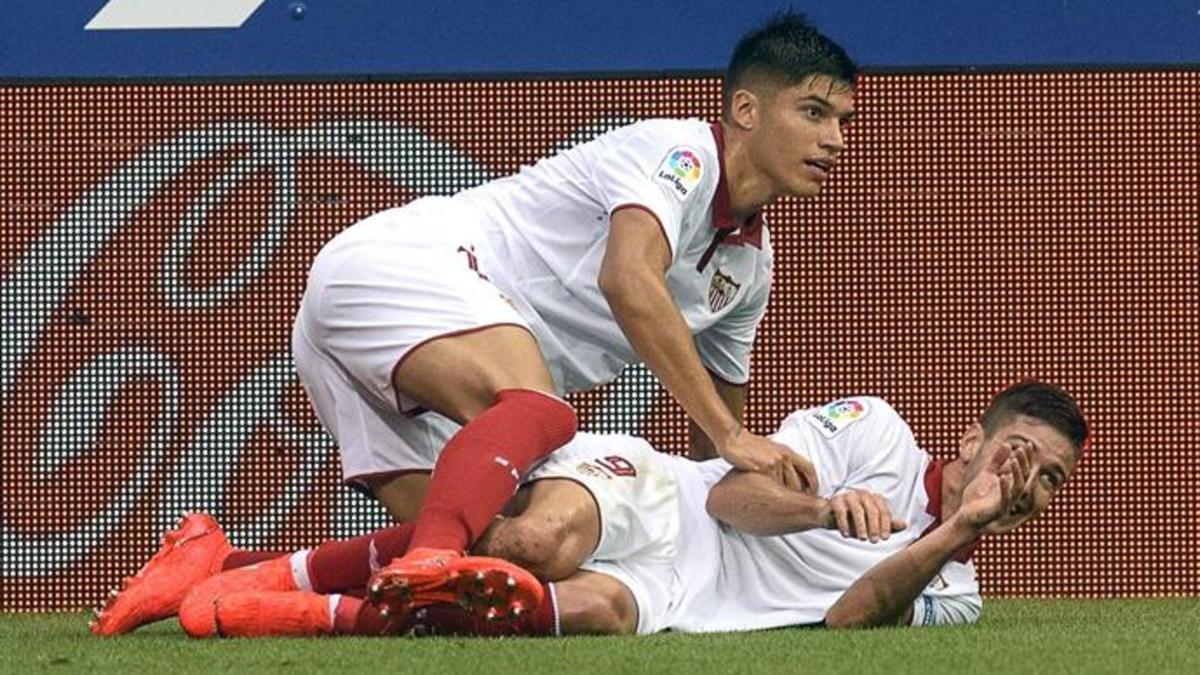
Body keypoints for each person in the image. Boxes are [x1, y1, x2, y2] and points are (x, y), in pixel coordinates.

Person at [270, 7, 856, 617]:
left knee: (498, 549)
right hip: (402, 263)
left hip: (360, 326)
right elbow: (628, 279)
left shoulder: (748, 271)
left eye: (843, 120)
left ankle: (223, 575)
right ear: (746, 111)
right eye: (813, 113)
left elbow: (712, 457)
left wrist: (776, 510)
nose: (834, 139)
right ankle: (430, 556)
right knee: (539, 412)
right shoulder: (679, 153)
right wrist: (735, 436)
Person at [91, 380, 1087, 637]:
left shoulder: (958, 594)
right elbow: (737, 497)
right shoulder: (871, 429)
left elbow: (842, 620)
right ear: (966, 440)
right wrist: (828, 508)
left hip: (674, 597)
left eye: (1046, 480)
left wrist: (956, 531)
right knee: (533, 541)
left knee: (568, 606)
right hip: (664, 499)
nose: (1022, 482)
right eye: (1016, 454)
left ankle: (247, 596)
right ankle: (234, 577)